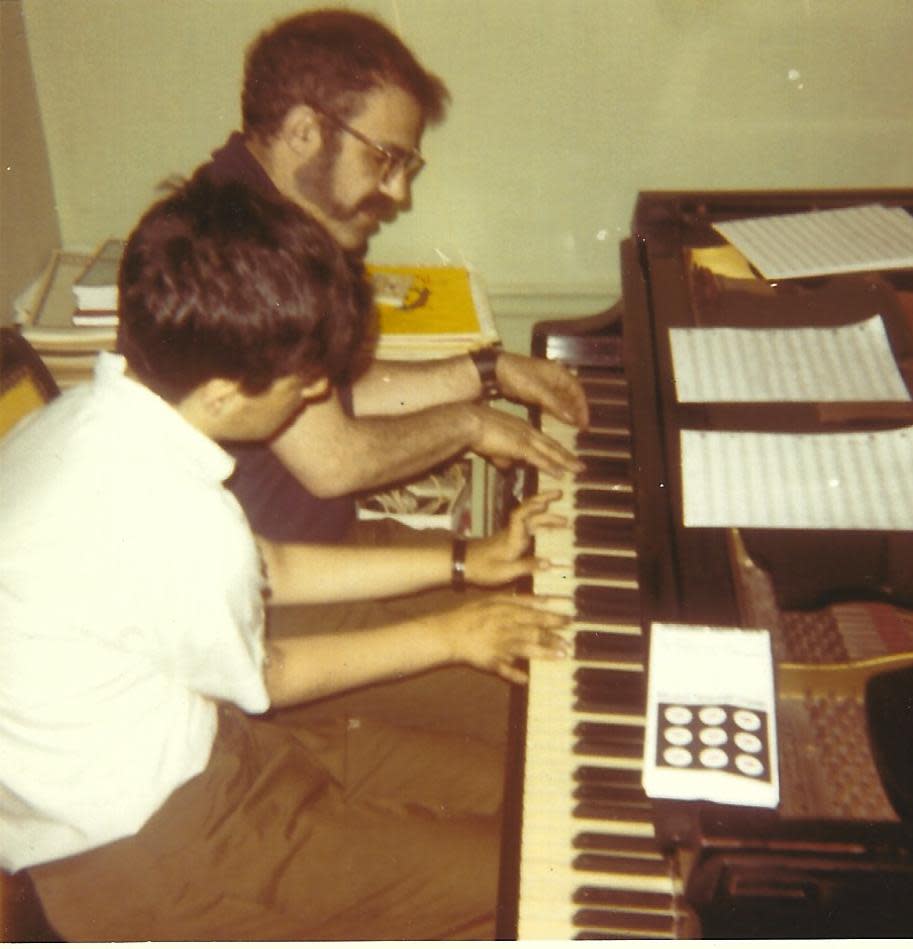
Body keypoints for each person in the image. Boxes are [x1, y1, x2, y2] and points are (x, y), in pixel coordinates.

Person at [0, 176, 569, 940]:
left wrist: (464, 559)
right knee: (527, 884)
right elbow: (268, 674)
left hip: (206, 753)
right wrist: (451, 634)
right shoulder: (170, 511)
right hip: (156, 856)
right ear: (228, 392)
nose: (317, 396)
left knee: (529, 792)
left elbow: (265, 563)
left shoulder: (88, 420)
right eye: (304, 383)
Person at [196, 7, 590, 545]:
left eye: (407, 167)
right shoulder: (242, 255)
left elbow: (329, 399)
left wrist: (487, 371)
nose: (399, 193)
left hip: (317, 552)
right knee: (543, 604)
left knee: (526, 567)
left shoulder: (261, 216)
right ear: (303, 132)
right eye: (386, 159)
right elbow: (334, 460)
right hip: (277, 592)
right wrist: (469, 424)